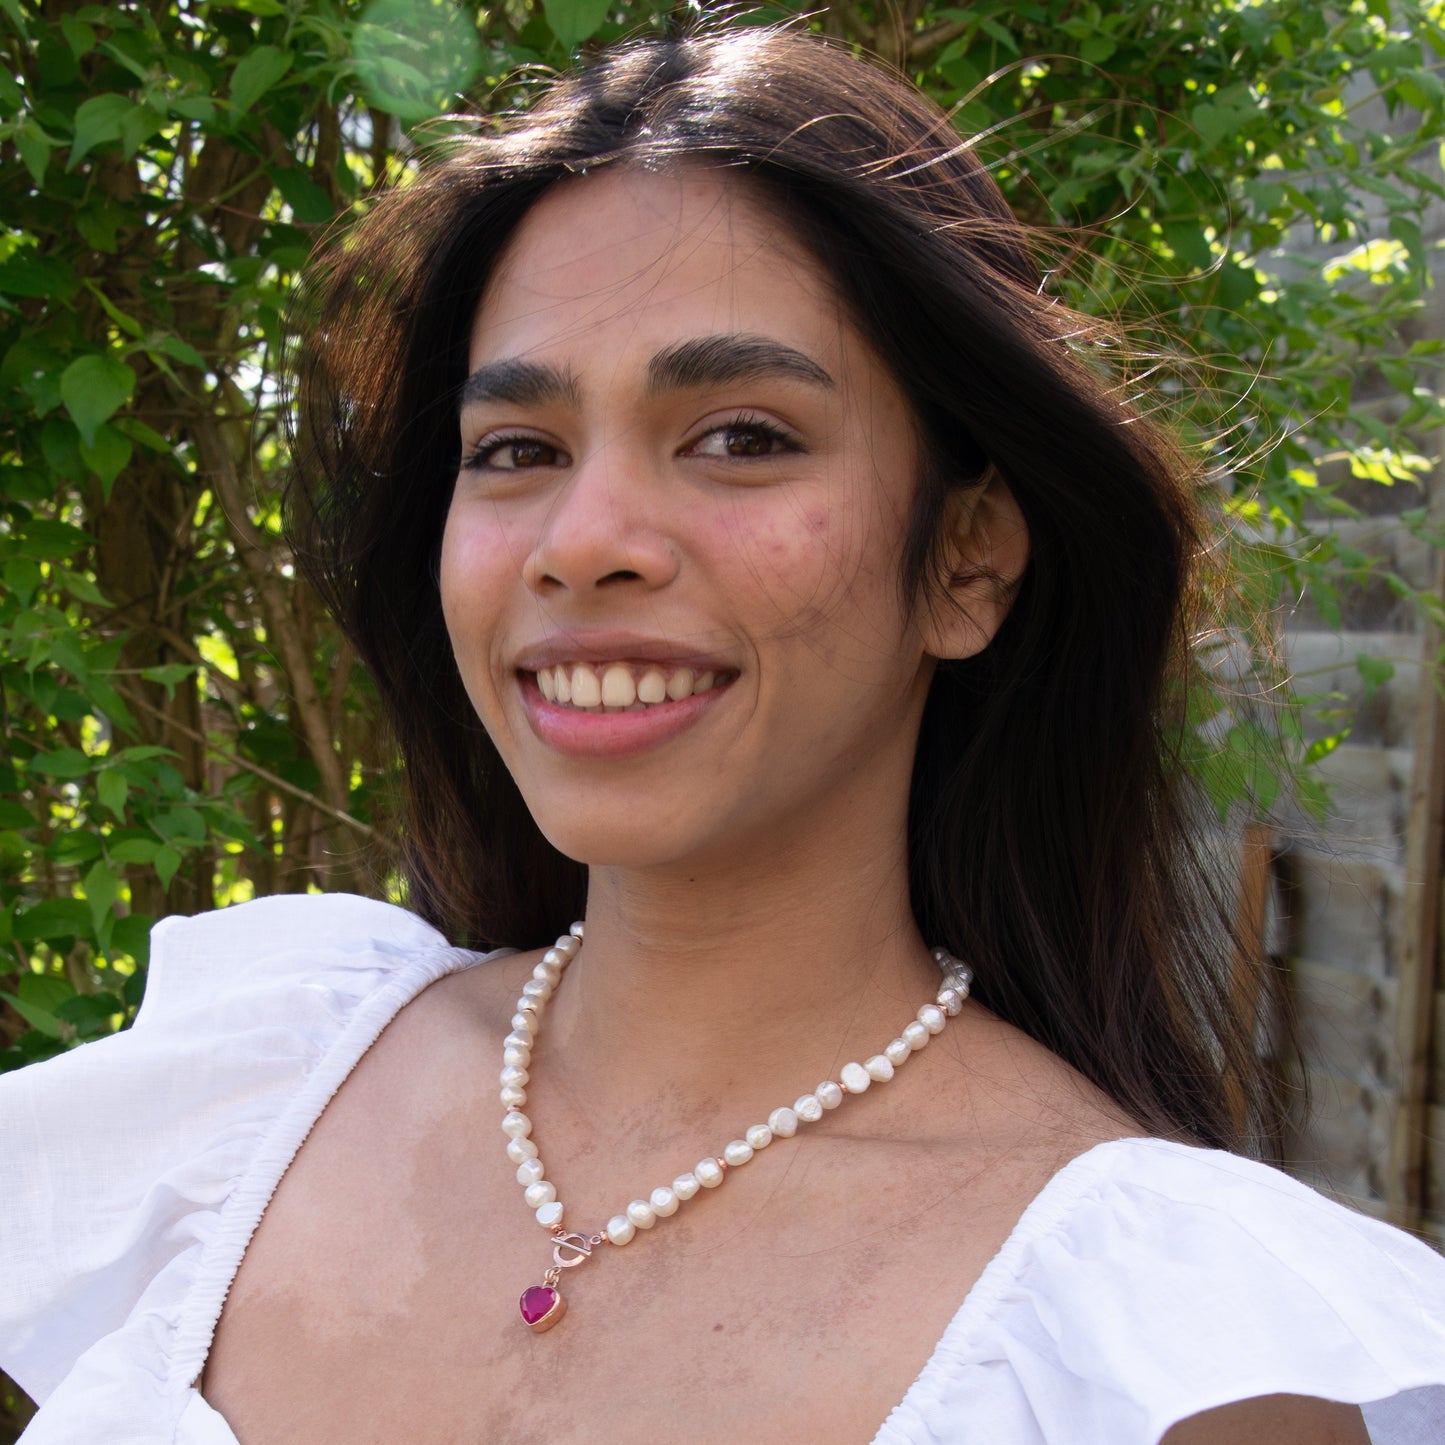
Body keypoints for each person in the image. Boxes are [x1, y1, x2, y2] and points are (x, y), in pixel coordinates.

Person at [3, 24, 1444, 1445]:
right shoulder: (248, 1100)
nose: (584, 543)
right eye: (517, 449)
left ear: (968, 560)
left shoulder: (1151, 1355)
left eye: (740, 435)